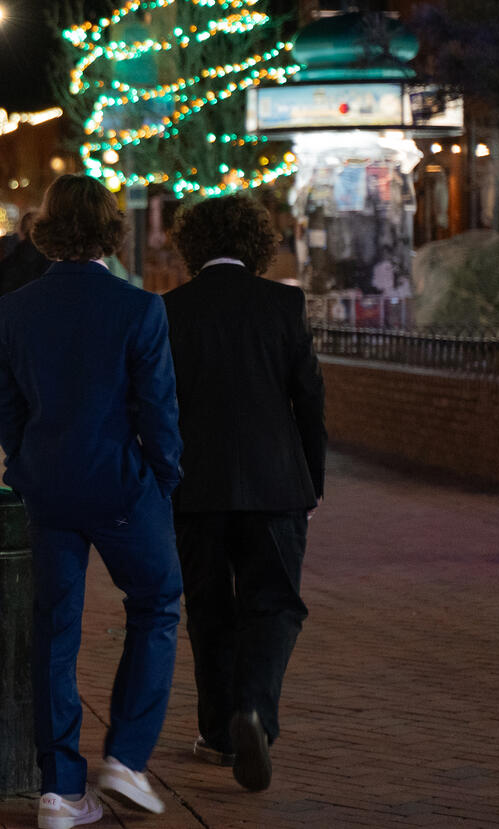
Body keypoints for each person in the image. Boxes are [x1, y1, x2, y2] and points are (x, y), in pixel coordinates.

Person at [0, 175, 182, 829]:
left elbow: (6, 409)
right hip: (123, 485)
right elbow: (158, 411)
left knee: (54, 631)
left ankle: (60, 788)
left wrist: (26, 462)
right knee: (155, 604)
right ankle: (126, 754)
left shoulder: (16, 310)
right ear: (109, 229)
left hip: (46, 488)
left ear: (47, 228)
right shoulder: (140, 309)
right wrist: (163, 476)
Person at [163, 195, 326, 793]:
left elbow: (157, 404)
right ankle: (254, 711)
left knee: (208, 610)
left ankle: (215, 731)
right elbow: (308, 397)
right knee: (275, 604)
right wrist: (313, 478)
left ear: (192, 245)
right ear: (258, 243)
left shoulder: (170, 309)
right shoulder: (282, 303)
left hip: (195, 486)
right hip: (274, 483)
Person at [0, 210, 52, 370]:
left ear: (20, 232)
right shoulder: (52, 266)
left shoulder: (6, 265)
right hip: (43, 341)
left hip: (9, 339)